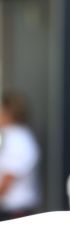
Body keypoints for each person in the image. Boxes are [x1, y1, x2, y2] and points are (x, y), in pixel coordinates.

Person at [0, 91, 40, 221]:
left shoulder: (17, 138)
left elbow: (8, 179)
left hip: (15, 212)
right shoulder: (15, 136)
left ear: (8, 112)